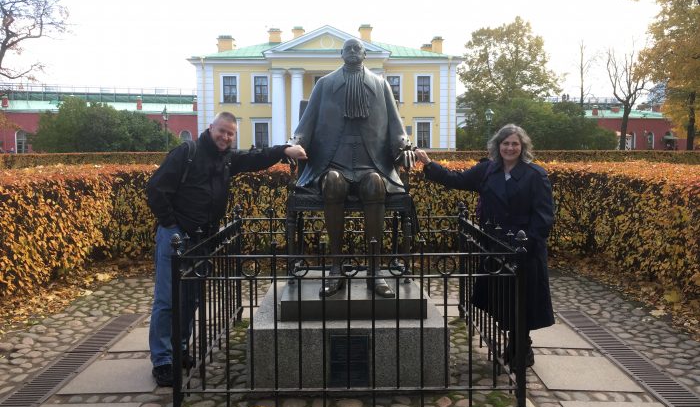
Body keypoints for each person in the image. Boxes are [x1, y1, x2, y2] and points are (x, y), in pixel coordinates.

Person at [146, 111, 306, 386]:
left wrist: (283, 150)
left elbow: (255, 158)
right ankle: (162, 360)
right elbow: (156, 189)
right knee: (168, 299)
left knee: (190, 298)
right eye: (222, 131)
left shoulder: (227, 158)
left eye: (230, 133)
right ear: (211, 128)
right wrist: (172, 225)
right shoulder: (188, 152)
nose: (226, 137)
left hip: (202, 239)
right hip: (177, 236)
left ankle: (180, 349)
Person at [415, 124, 554, 368]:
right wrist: (428, 164)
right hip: (495, 246)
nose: (510, 148)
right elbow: (455, 179)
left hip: (524, 250)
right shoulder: (487, 171)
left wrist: (526, 246)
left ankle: (522, 346)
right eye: (505, 143)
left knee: (523, 301)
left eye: (515, 144)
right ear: (498, 146)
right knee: (502, 299)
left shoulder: (535, 175)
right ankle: (517, 343)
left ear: (522, 148)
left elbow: (543, 217)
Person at [291, 38, 414, 299]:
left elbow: (396, 126)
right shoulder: (324, 85)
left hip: (373, 163)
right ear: (341, 53)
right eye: (348, 49)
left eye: (357, 48)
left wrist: (404, 147)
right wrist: (296, 144)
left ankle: (374, 271)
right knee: (333, 183)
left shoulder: (381, 85)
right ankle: (336, 268)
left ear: (365, 54)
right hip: (333, 162)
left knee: (375, 185)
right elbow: (306, 124)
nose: (353, 52)